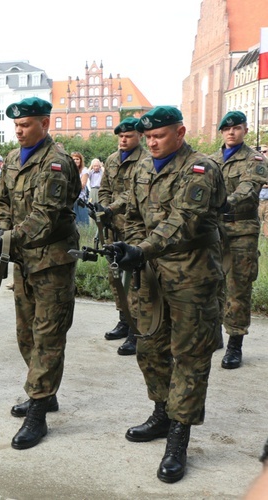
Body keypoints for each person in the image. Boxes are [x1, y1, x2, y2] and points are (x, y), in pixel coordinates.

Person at [111, 106, 225, 483]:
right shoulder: (145, 167)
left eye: (159, 135)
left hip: (192, 276)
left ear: (180, 132)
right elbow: (130, 211)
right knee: (149, 347)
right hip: (152, 274)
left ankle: (179, 437)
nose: (153, 142)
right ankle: (162, 412)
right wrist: (128, 245)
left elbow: (184, 220)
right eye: (148, 137)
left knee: (190, 356)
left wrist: (141, 249)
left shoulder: (200, 168)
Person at [0, 97, 80, 449]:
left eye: (27, 125)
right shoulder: (15, 161)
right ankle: (44, 394)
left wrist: (5, 241)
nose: (19, 131)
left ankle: (38, 411)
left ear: (45, 124)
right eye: (16, 126)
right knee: (26, 334)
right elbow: (1, 202)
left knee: (48, 336)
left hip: (52, 262)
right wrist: (2, 231)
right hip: (24, 261)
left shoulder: (56, 164)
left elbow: (45, 217)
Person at [209, 111, 268, 370]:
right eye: (227, 129)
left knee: (238, 287)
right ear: (221, 132)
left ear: (245, 130)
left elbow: (248, 189)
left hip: (241, 230)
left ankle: (235, 344)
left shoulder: (255, 159)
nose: (231, 132)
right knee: (212, 284)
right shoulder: (210, 160)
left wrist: (222, 203)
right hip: (213, 231)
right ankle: (215, 335)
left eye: (237, 128)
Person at [97, 117, 147, 354]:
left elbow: (132, 193)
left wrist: (111, 208)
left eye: (128, 136)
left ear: (140, 136)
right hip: (113, 228)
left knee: (136, 280)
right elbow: (105, 188)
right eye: (120, 136)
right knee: (115, 276)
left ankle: (135, 330)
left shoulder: (145, 160)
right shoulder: (112, 159)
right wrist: (103, 208)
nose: (123, 140)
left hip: (134, 228)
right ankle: (123, 319)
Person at [71, 152, 89, 225]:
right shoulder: (69, 170)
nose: (75, 161)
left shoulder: (84, 171)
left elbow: (82, 185)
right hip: (71, 199)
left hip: (80, 199)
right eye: (74, 159)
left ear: (81, 160)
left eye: (77, 159)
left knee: (83, 221)